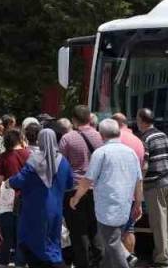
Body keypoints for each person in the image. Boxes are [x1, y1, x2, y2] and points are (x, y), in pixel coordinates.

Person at [69, 119, 142, 268]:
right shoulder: (130, 152)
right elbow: (139, 180)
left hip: (107, 208)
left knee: (111, 243)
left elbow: (88, 179)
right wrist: (138, 203)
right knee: (109, 247)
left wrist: (76, 197)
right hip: (125, 205)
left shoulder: (101, 153)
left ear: (101, 135)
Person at [9, 128, 75, 268]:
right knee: (53, 242)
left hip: (34, 210)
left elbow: (19, 180)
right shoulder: (63, 161)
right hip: (56, 209)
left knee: (33, 244)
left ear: (40, 141)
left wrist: (9, 182)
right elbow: (70, 183)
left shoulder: (34, 160)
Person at [59, 105, 104, 268]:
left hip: (74, 189)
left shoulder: (67, 138)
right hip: (96, 189)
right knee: (95, 229)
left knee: (78, 233)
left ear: (73, 120)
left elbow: (61, 166)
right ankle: (99, 262)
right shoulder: (100, 137)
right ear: (89, 118)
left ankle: (83, 263)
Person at [136, 109, 168, 268]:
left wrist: (139, 184)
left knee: (158, 223)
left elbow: (145, 166)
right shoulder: (163, 135)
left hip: (154, 185)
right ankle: (161, 253)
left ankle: (162, 260)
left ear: (141, 120)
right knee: (165, 222)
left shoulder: (145, 138)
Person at [0, 128, 31, 268]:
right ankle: (20, 263)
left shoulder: (3, 157)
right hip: (25, 198)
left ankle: (3, 262)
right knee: (21, 234)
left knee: (7, 235)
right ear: (20, 139)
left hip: (7, 198)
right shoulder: (28, 154)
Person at [111, 113, 145, 261]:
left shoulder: (114, 140)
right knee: (129, 230)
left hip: (115, 193)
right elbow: (141, 172)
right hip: (132, 193)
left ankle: (118, 261)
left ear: (115, 124)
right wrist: (138, 200)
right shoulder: (138, 141)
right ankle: (128, 259)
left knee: (111, 233)